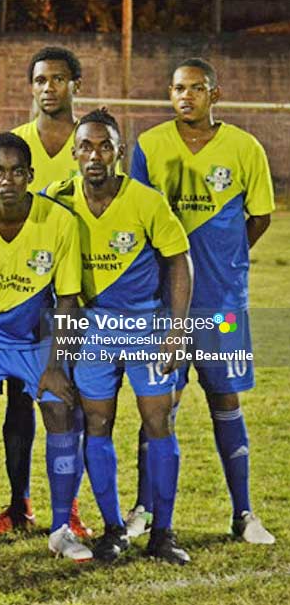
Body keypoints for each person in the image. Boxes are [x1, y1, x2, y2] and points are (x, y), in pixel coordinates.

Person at [128, 58, 275, 544]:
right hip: (163, 306)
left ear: (216, 93)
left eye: (195, 89)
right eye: (176, 89)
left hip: (221, 303)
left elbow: (259, 217)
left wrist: (226, 260)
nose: (185, 97)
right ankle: (143, 509)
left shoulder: (244, 148)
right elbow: (138, 219)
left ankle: (245, 514)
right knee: (157, 406)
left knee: (225, 399)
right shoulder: (149, 147)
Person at [44, 109, 193, 565]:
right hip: (91, 328)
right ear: (73, 153)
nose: (95, 155)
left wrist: (178, 328)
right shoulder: (57, 198)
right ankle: (112, 529)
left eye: (105, 146)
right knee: (97, 424)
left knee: (157, 423)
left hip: (146, 325)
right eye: (86, 147)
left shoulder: (146, 201)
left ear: (119, 153)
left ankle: (162, 533)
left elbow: (180, 262)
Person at [0, 132, 91, 562]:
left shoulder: (59, 221)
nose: (6, 180)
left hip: (38, 338)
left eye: (15, 172)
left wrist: (55, 366)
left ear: (30, 175)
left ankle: (63, 527)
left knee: (59, 406)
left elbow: (66, 299)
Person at [0, 46, 91, 538]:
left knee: (69, 401)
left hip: (77, 291)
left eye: (58, 78)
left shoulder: (92, 142)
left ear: (76, 84)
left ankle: (68, 509)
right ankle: (18, 502)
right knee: (16, 403)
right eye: (39, 79)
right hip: (19, 299)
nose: (48, 87)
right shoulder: (15, 144)